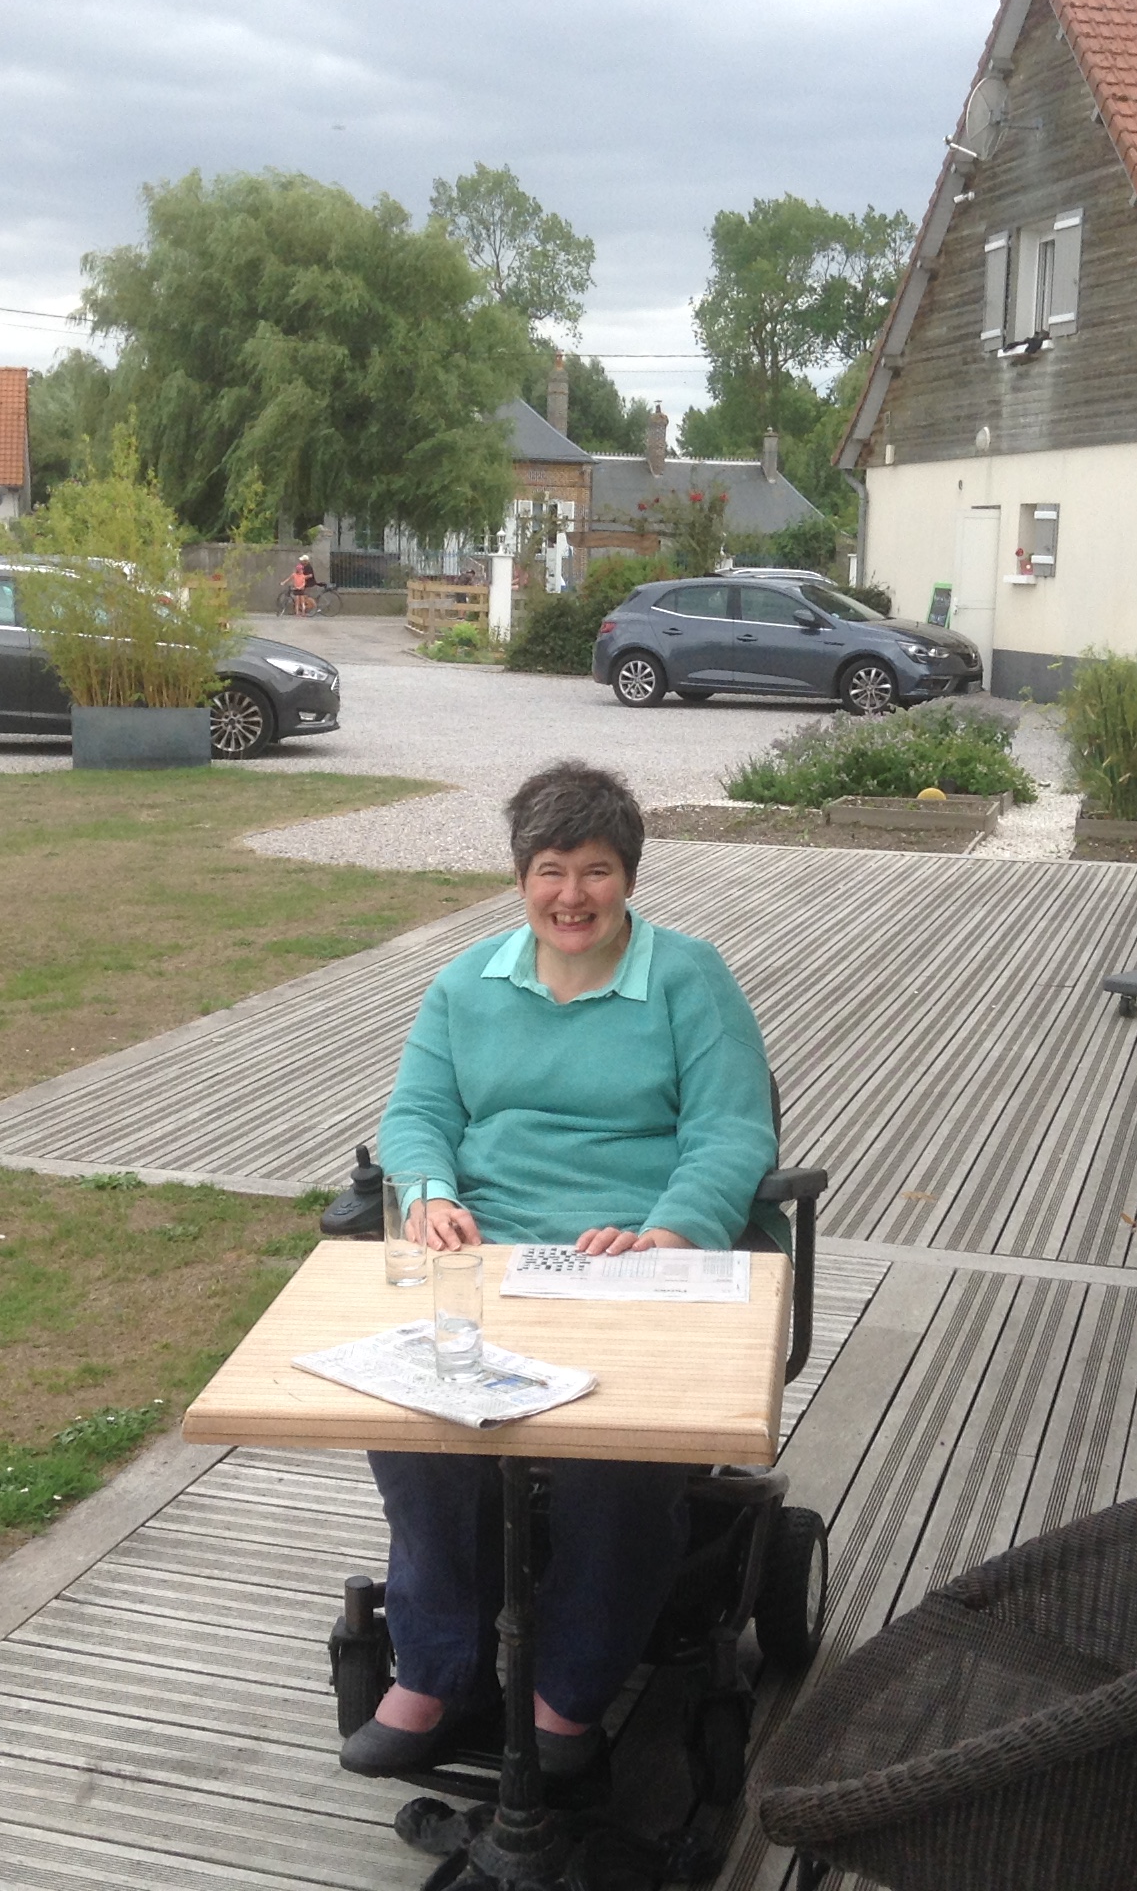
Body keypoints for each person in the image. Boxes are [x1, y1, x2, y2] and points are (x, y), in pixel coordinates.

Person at [342, 761, 778, 1781]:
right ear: (520, 875)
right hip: (487, 1258)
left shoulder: (688, 977)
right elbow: (416, 1115)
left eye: (596, 871)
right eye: (551, 870)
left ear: (629, 876)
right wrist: (430, 1186)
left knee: (615, 1456)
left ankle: (569, 1692)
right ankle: (443, 1671)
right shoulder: (466, 983)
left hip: (632, 1262)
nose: (572, 896)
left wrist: (673, 1232)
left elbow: (729, 1130)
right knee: (414, 1430)